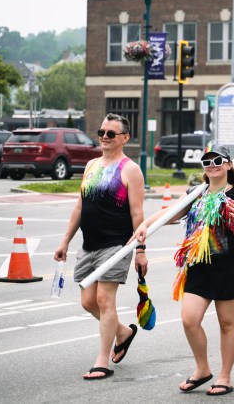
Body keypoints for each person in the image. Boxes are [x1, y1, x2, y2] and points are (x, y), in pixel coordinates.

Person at [132, 144, 234, 396]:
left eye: (218, 160)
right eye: (207, 160)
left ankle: (224, 376)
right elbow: (168, 213)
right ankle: (202, 369)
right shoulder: (196, 193)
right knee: (189, 320)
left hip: (230, 266)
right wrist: (144, 227)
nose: (212, 164)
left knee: (227, 323)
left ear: (228, 164)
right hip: (199, 267)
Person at [54, 113, 147, 380]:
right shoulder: (92, 165)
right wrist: (64, 241)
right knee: (88, 301)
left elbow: (137, 215)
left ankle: (102, 361)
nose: (104, 137)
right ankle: (123, 332)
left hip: (116, 245)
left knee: (105, 300)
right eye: (101, 132)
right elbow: (80, 206)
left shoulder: (130, 169)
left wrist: (140, 250)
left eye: (111, 133)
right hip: (89, 245)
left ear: (125, 138)